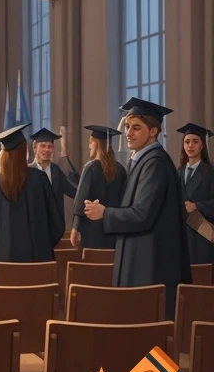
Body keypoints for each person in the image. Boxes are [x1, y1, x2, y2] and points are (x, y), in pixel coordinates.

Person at [84, 98, 191, 319]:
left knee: (148, 331)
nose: (129, 133)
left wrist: (105, 212)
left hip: (150, 263)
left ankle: (151, 356)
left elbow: (142, 214)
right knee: (137, 332)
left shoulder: (154, 163)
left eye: (136, 127)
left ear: (153, 131)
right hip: (141, 257)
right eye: (127, 127)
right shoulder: (143, 160)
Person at [0, 124, 63, 263]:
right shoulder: (39, 178)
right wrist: (43, 245)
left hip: (2, 260)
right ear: (24, 152)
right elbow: (57, 223)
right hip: (38, 258)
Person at [68, 125, 126, 250]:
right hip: (114, 227)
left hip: (92, 229)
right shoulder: (120, 169)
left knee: (93, 266)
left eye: (90, 143)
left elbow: (80, 201)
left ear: (96, 143)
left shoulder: (91, 167)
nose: (89, 146)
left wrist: (75, 228)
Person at [177, 123, 214, 266]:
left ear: (202, 146)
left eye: (195, 141)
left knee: (201, 277)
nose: (190, 145)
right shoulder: (177, 172)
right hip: (181, 234)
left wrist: (197, 206)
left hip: (202, 233)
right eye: (187, 142)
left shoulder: (210, 173)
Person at [29, 127, 75, 227]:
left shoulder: (56, 171)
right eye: (43, 146)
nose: (47, 149)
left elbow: (74, 191)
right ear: (35, 147)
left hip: (54, 227)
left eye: (50, 146)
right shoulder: (27, 172)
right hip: (33, 227)